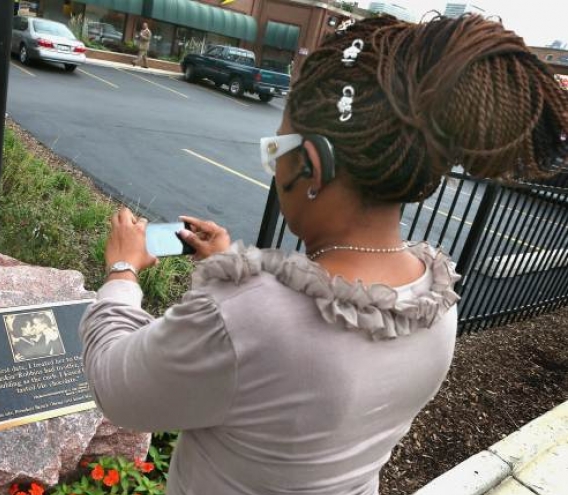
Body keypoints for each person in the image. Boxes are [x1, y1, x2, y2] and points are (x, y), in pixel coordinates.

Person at [79, 14, 568, 495]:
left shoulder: (242, 318)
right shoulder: (435, 300)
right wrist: (227, 265)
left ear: (311, 166)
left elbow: (118, 388)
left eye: (277, 149)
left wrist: (122, 270)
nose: (273, 164)